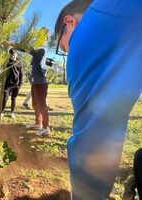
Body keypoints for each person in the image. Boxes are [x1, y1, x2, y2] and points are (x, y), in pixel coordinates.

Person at [55, 0, 142, 199]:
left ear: (69, 22)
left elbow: (93, 137)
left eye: (63, 45)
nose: (69, 52)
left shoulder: (85, 35)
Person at [0, 48, 23, 119]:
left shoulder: (19, 63)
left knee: (14, 99)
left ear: (16, 55)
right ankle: (2, 112)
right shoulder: (7, 63)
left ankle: (12, 112)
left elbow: (21, 74)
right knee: (5, 98)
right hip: (8, 85)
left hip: (16, 85)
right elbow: (2, 73)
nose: (13, 56)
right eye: (11, 54)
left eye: (14, 54)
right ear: (9, 55)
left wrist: (20, 84)